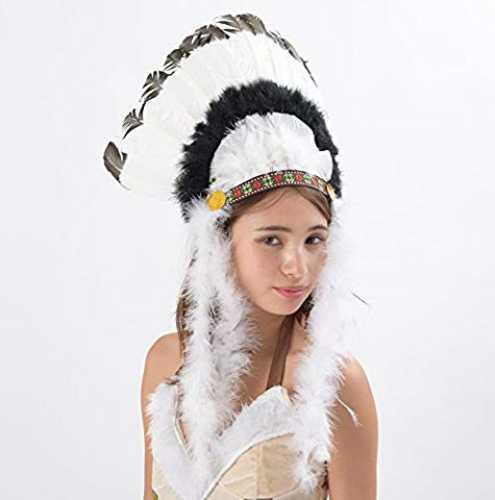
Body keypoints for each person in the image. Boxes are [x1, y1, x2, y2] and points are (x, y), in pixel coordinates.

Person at [103, 12, 378, 500]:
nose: (297, 266)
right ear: (220, 241)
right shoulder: (165, 364)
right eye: (271, 239)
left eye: (314, 239)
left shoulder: (334, 385)